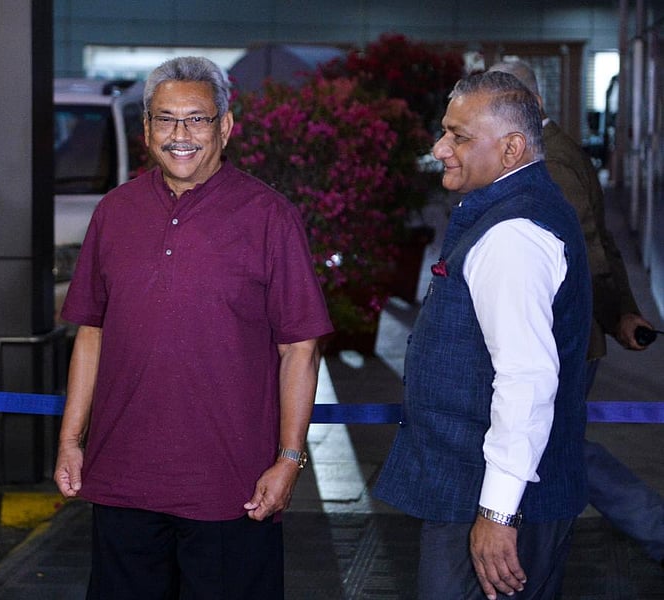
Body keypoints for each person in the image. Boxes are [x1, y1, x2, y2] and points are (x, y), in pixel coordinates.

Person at [53, 56, 332, 599]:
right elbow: (91, 333)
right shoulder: (114, 212)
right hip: (123, 481)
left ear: (225, 127)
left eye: (197, 119)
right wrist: (70, 441)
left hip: (232, 490)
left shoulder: (270, 216)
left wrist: (288, 459)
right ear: (146, 129)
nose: (180, 135)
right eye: (165, 119)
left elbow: (300, 348)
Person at [374, 71, 592, 600]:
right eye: (444, 131)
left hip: (489, 503)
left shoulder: (513, 233)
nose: (439, 148)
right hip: (489, 496)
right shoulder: (513, 211)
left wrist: (497, 513)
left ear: (512, 148)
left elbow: (526, 379)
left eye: (459, 137)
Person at [489, 59, 664, 569]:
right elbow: (601, 241)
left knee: (558, 449)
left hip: (558, 339)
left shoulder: (549, 162)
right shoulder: (555, 150)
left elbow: (584, 251)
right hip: (568, 335)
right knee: (555, 447)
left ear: (531, 105)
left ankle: (651, 526)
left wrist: (617, 314)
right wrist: (622, 312)